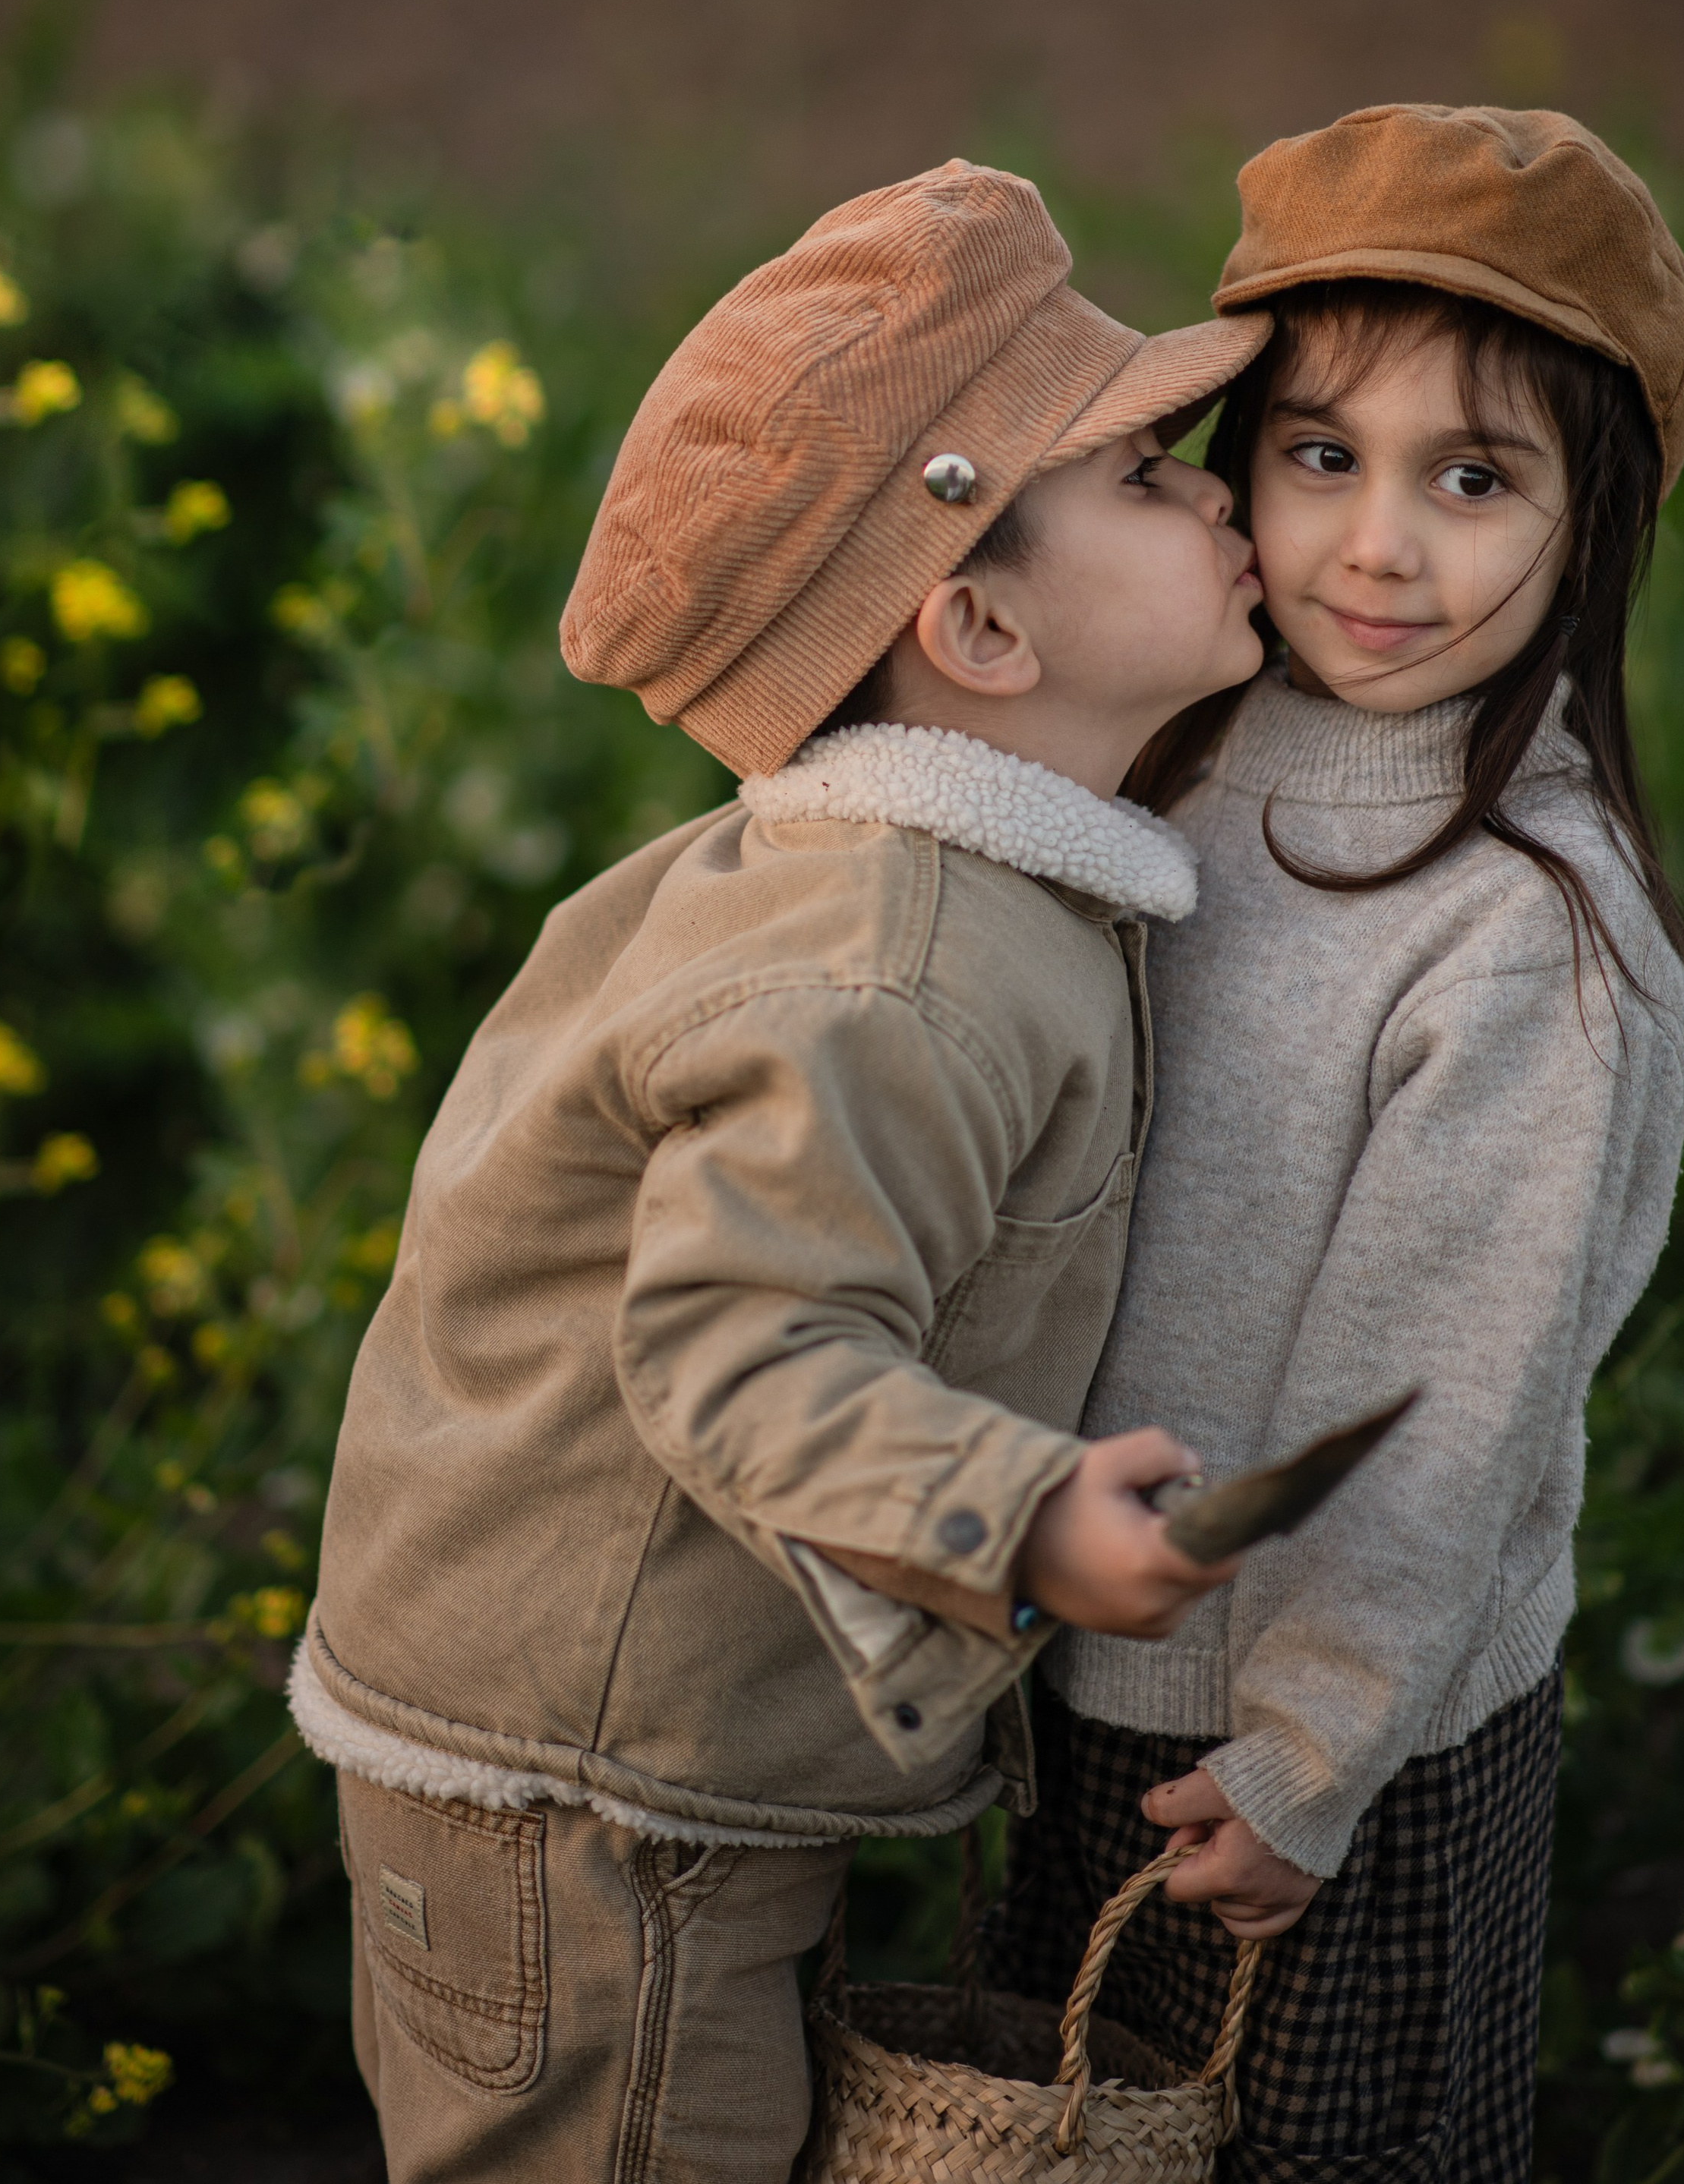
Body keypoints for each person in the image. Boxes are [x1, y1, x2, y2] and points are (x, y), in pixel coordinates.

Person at [290, 157, 1274, 2184]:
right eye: (1146, 474)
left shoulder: (943, 896)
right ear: (981, 626)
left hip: (611, 1749)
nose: (1218, 492)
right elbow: (742, 1346)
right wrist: (1018, 1515)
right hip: (587, 1804)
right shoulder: (895, 970)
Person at [991, 104, 1684, 2182]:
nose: (1378, 548)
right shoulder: (1181, 747)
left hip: (1328, 1758)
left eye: (1472, 479)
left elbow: (1441, 1395)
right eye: (1322, 456)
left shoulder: (1527, 935)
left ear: (1597, 518)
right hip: (1088, 1673)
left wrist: (1306, 1751)